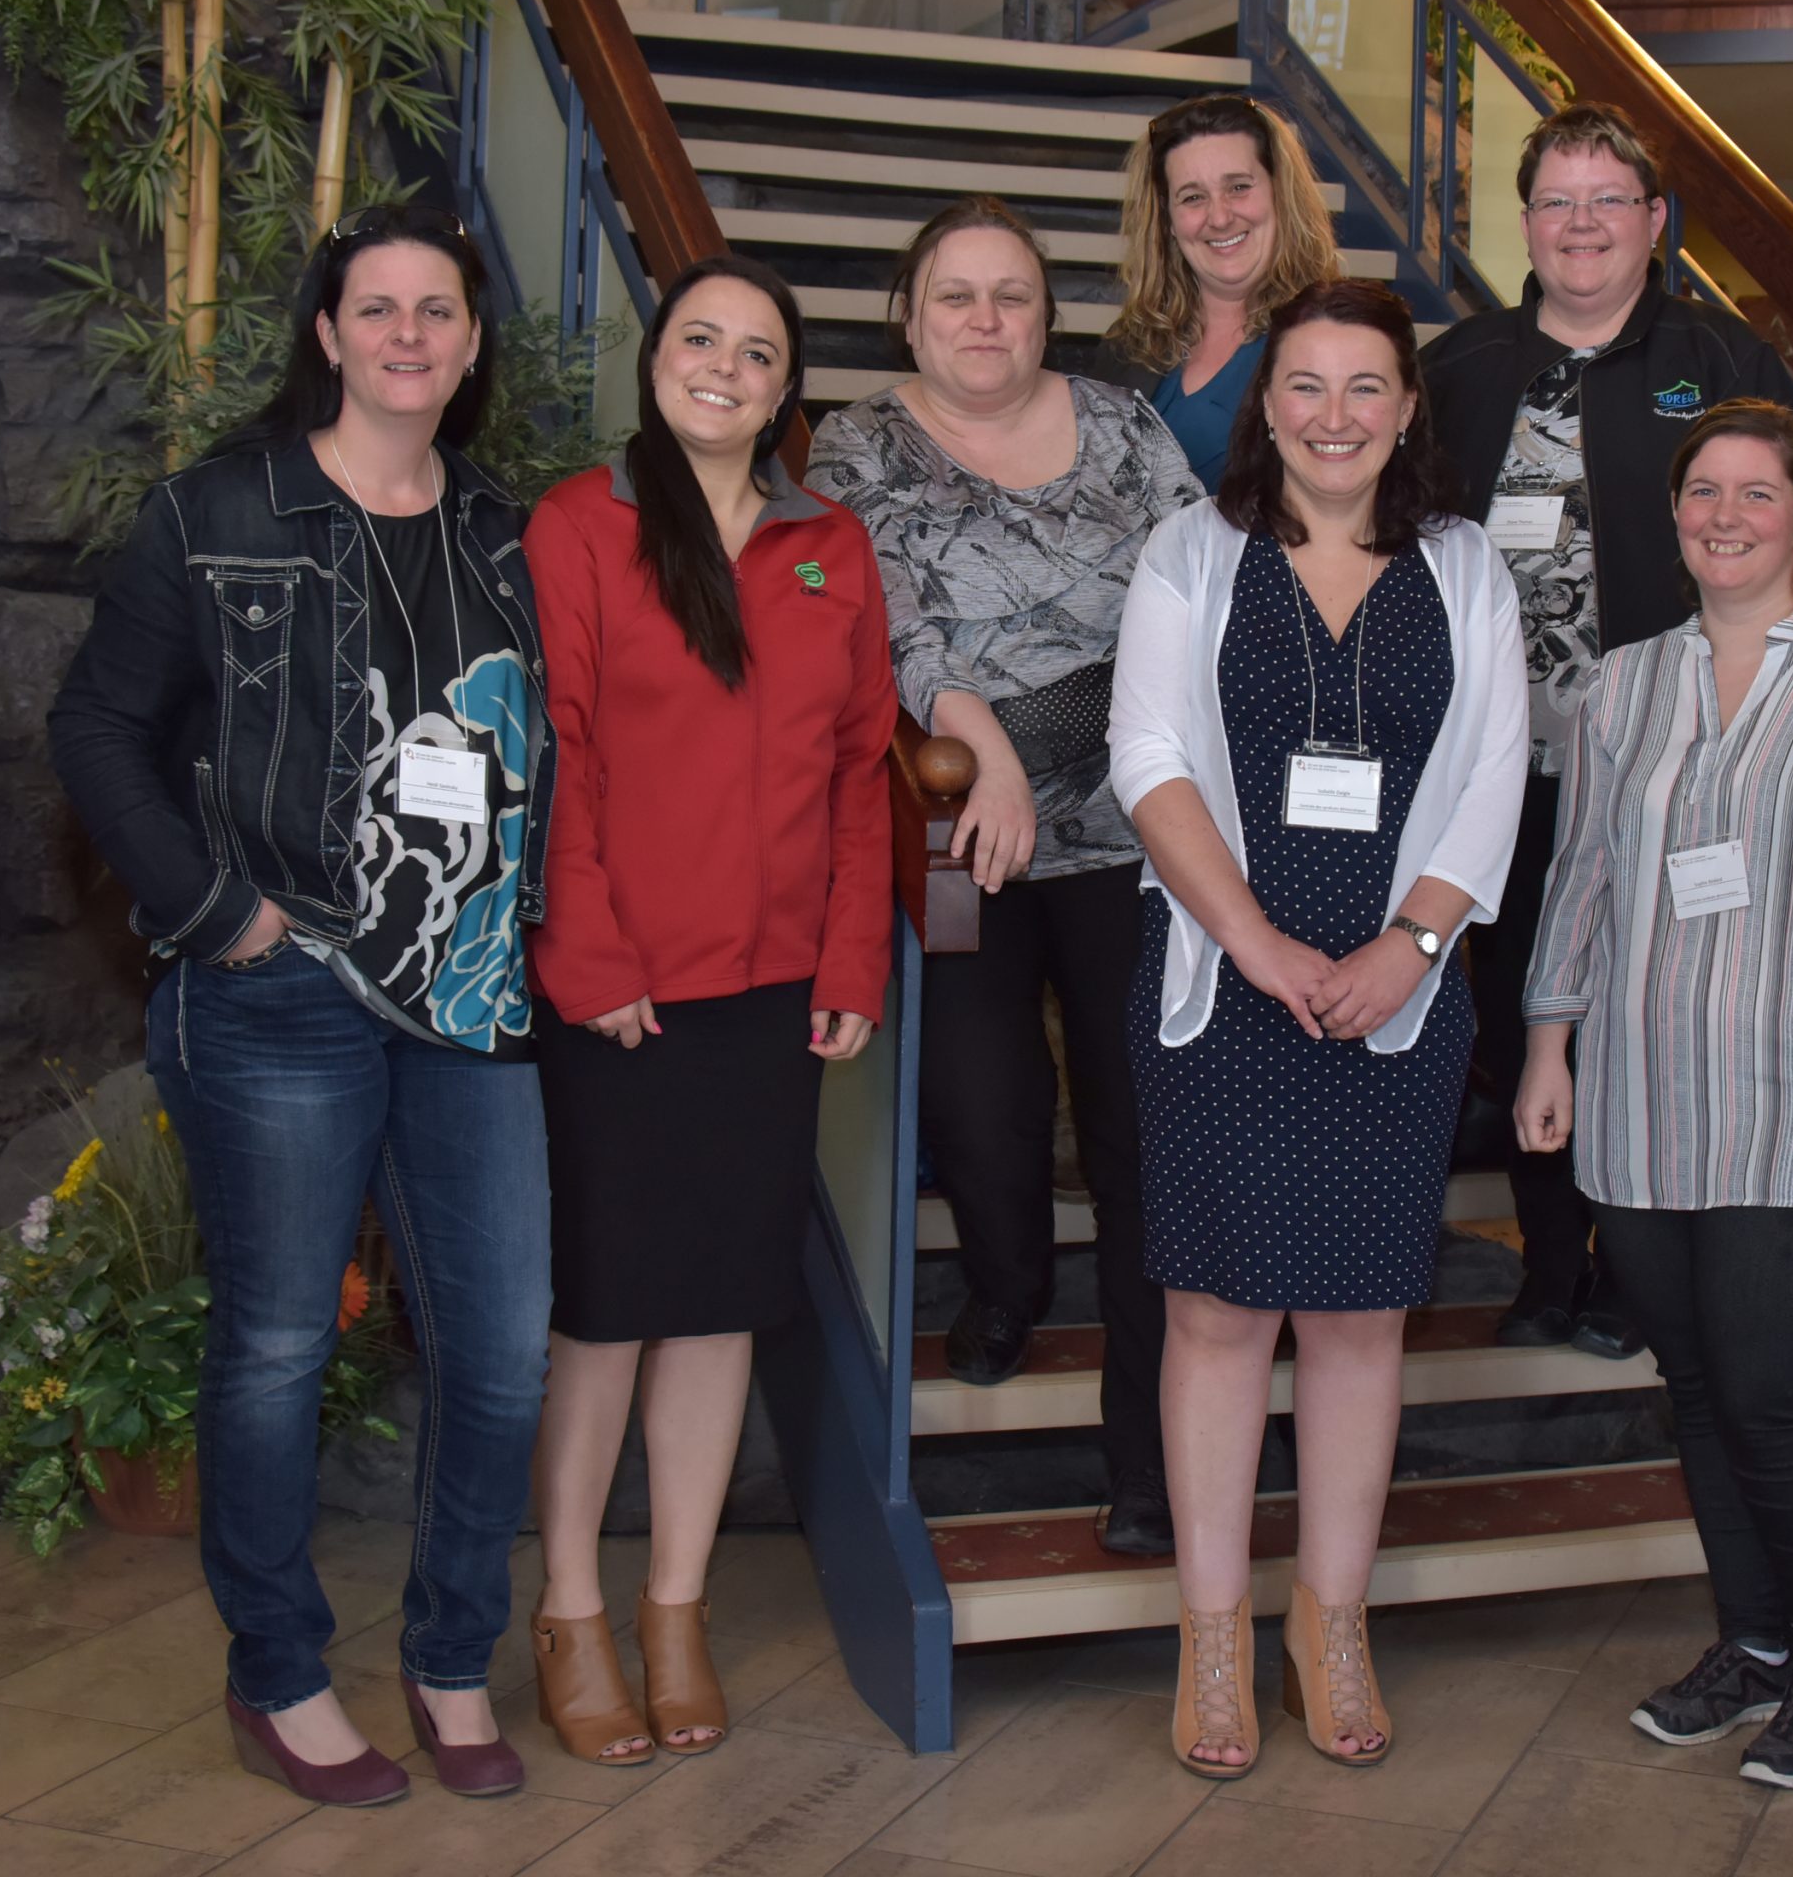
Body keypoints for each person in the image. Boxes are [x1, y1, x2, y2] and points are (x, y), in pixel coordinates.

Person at [49, 205, 554, 1805]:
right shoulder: (213, 514)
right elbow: (96, 733)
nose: (410, 333)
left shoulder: (510, 536)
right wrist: (221, 916)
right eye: (378, 308)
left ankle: (453, 1654)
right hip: (280, 988)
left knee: (501, 1353)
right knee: (273, 1345)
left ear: (472, 347)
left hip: (470, 995)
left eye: (441, 311)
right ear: (328, 335)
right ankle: (275, 1672)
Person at [1111, 278, 1529, 1778]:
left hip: (1399, 998)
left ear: (1408, 408)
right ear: (1264, 402)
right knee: (1220, 1315)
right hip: (1227, 987)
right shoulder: (1193, 552)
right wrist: (1256, 938)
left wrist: (1413, 945)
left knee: (1359, 1320)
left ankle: (1330, 1623)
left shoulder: (1469, 569)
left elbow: (1495, 767)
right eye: (1306, 385)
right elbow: (1147, 753)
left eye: (1366, 388)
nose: (1335, 416)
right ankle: (1213, 1637)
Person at [1517, 398, 1793, 1794]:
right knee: (1699, 1395)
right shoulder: (1622, 685)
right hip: (1645, 1099)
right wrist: (1547, 1042)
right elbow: (1581, 873)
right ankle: (1757, 1648)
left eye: (1756, 493)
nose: (1725, 515)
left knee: (1772, 1396)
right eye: (1703, 490)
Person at [522, 254, 895, 1762]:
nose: (726, 368)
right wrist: (592, 961)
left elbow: (862, 770)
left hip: (772, 991)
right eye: (700, 340)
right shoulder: (581, 523)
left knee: (724, 1307)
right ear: (656, 359)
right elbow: (556, 755)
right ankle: (567, 1607)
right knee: (608, 1310)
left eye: (758, 351)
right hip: (620, 993)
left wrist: (853, 959)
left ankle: (673, 1607)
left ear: (786, 385)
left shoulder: (831, 547)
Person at [805, 194, 1207, 1559]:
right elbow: (887, 609)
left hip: (1140, 831)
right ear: (911, 316)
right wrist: (979, 732)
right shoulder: (859, 441)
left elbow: (1197, 585)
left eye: (1014, 295)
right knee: (978, 1104)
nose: (987, 320)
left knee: (1143, 1136)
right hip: (952, 824)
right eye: (958, 296)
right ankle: (1005, 1287)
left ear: (1049, 312)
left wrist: (1098, 746)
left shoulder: (1123, 426)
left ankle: (1147, 1464)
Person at [1422, 99, 1793, 1360]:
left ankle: (1638, 1269)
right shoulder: (1462, 370)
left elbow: (1785, 551)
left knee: (1642, 1010)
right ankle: (1548, 1263)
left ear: (1653, 222)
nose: (1579, 226)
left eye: (1606, 202)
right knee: (1526, 996)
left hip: (1669, 764)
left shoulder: (1724, 358)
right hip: (1495, 765)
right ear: (1524, 224)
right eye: (1555, 203)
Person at [1092, 93, 1345, 492]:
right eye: (1193, 197)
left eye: (1239, 187)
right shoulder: (1128, 344)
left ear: (1280, 194)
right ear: (1168, 219)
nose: (1221, 217)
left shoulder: (1338, 334)